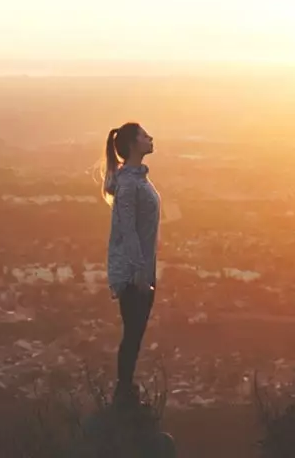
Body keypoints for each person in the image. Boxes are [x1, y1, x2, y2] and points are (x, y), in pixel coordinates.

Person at [102, 121, 161, 409]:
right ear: (133, 145)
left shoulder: (136, 179)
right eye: (144, 135)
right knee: (133, 332)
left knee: (136, 333)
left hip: (142, 270)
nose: (150, 138)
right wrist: (139, 271)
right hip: (133, 273)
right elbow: (127, 229)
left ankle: (126, 390)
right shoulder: (128, 183)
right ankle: (123, 392)